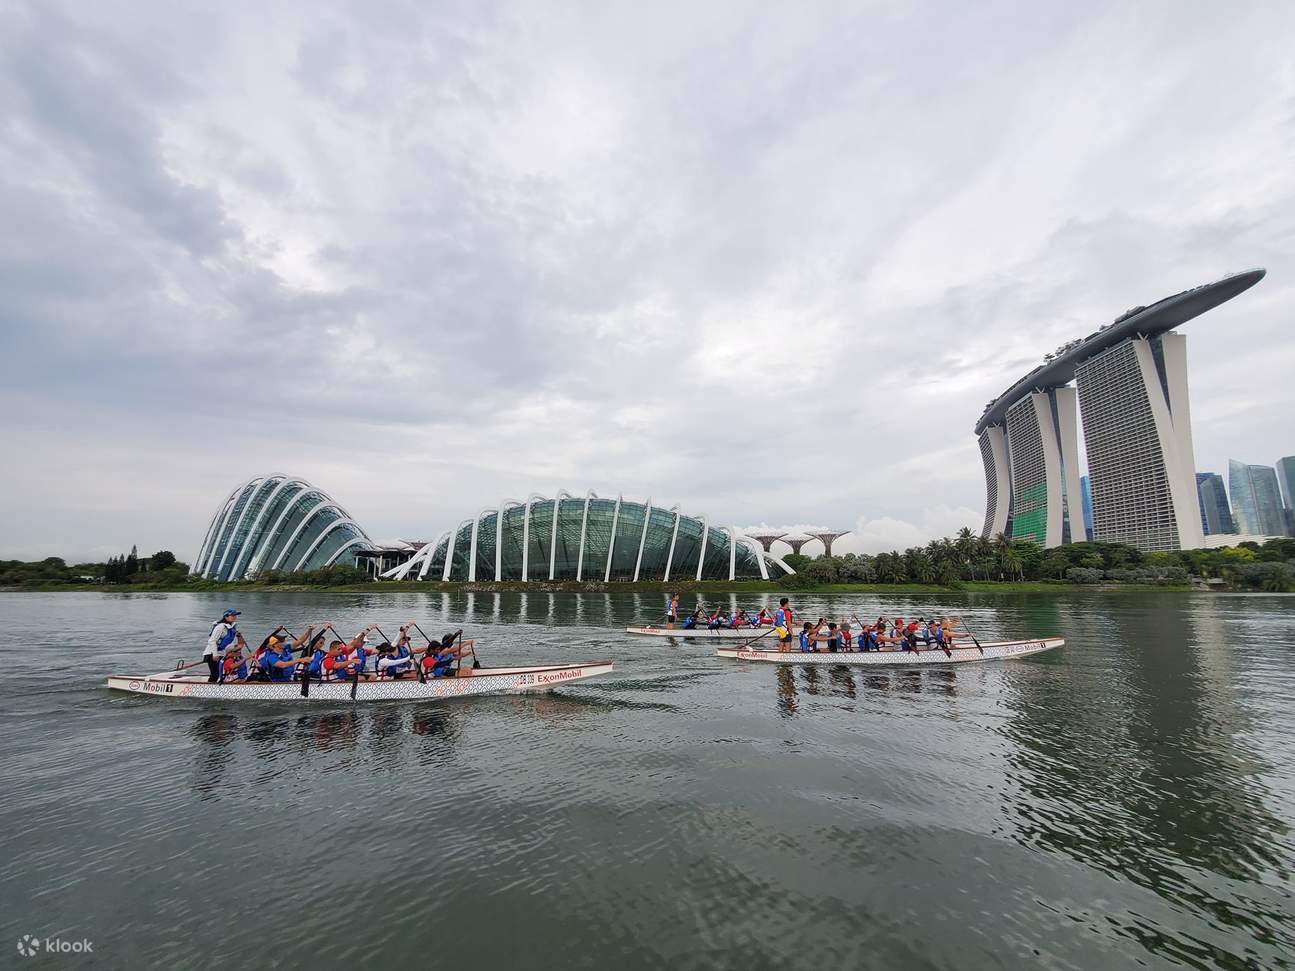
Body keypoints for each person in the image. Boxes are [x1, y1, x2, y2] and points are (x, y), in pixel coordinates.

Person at [204, 608, 241, 682]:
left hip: (221, 653)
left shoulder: (231, 627)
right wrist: (215, 654)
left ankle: (216, 686)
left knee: (221, 673)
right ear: (226, 617)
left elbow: (226, 643)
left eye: (235, 615)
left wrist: (238, 636)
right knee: (215, 674)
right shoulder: (220, 627)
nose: (234, 617)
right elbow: (212, 641)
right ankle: (209, 688)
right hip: (211, 653)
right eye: (232, 615)